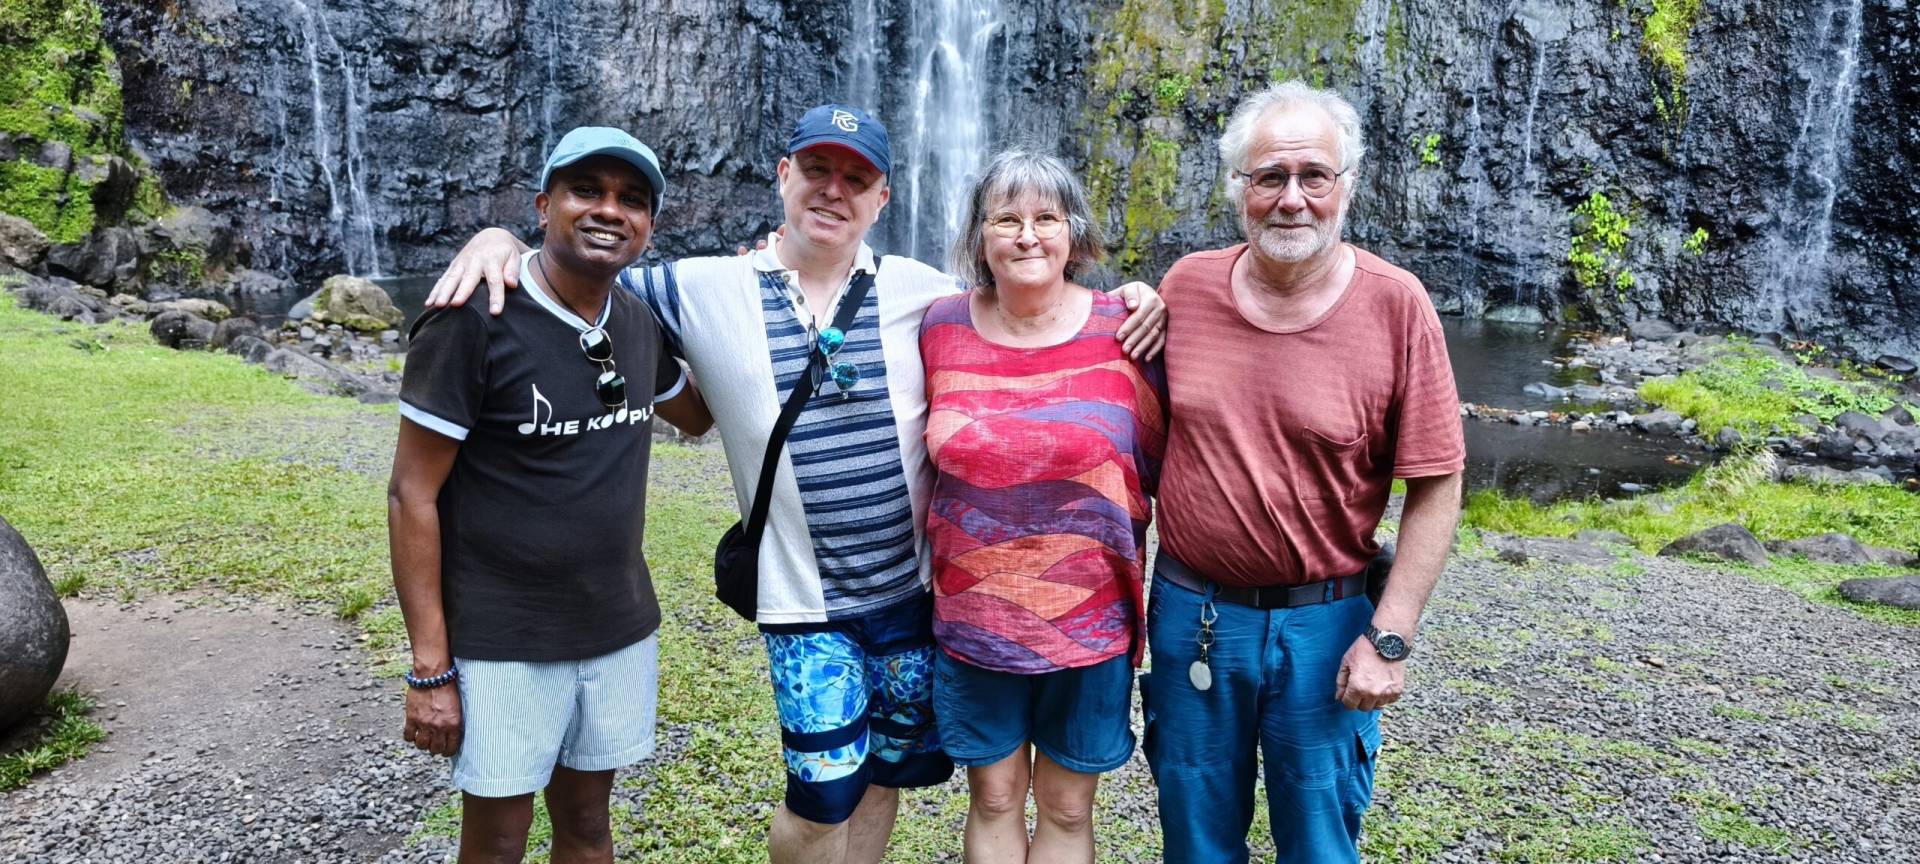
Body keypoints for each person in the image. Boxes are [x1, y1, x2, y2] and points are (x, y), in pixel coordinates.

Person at [423, 105, 1168, 864]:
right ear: (783, 177)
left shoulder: (928, 296)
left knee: (885, 776)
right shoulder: (702, 287)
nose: (833, 191)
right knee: (822, 793)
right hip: (803, 602)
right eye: (817, 170)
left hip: (917, 597)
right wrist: (503, 241)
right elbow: (585, 269)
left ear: (883, 200)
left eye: (857, 178)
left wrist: (1138, 298)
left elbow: (1029, 296)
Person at [1142, 81, 1466, 863]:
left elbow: (1439, 484)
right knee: (1194, 836)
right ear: (1238, 190)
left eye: (1313, 176)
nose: (1292, 199)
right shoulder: (1185, 287)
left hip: (1326, 622)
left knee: (1320, 840)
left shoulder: (1398, 305)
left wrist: (1389, 638)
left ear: (1346, 185)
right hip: (1195, 616)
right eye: (1269, 177)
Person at [386, 126, 713, 864]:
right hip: (505, 636)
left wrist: (762, 293)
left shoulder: (634, 321)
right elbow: (411, 496)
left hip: (616, 624)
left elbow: (697, 414)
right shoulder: (471, 317)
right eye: (586, 191)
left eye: (632, 200)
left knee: (590, 824)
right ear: (543, 205)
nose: (609, 210)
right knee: (498, 840)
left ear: (650, 227)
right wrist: (430, 668)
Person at [920, 150, 1166, 864]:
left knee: (1063, 805)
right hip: (975, 617)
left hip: (1092, 621)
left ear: (1074, 235)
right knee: (993, 797)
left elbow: (1177, 451)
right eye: (1007, 219)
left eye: (1046, 218)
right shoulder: (937, 327)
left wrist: (1159, 294)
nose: (1027, 235)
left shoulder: (1129, 329)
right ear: (979, 237)